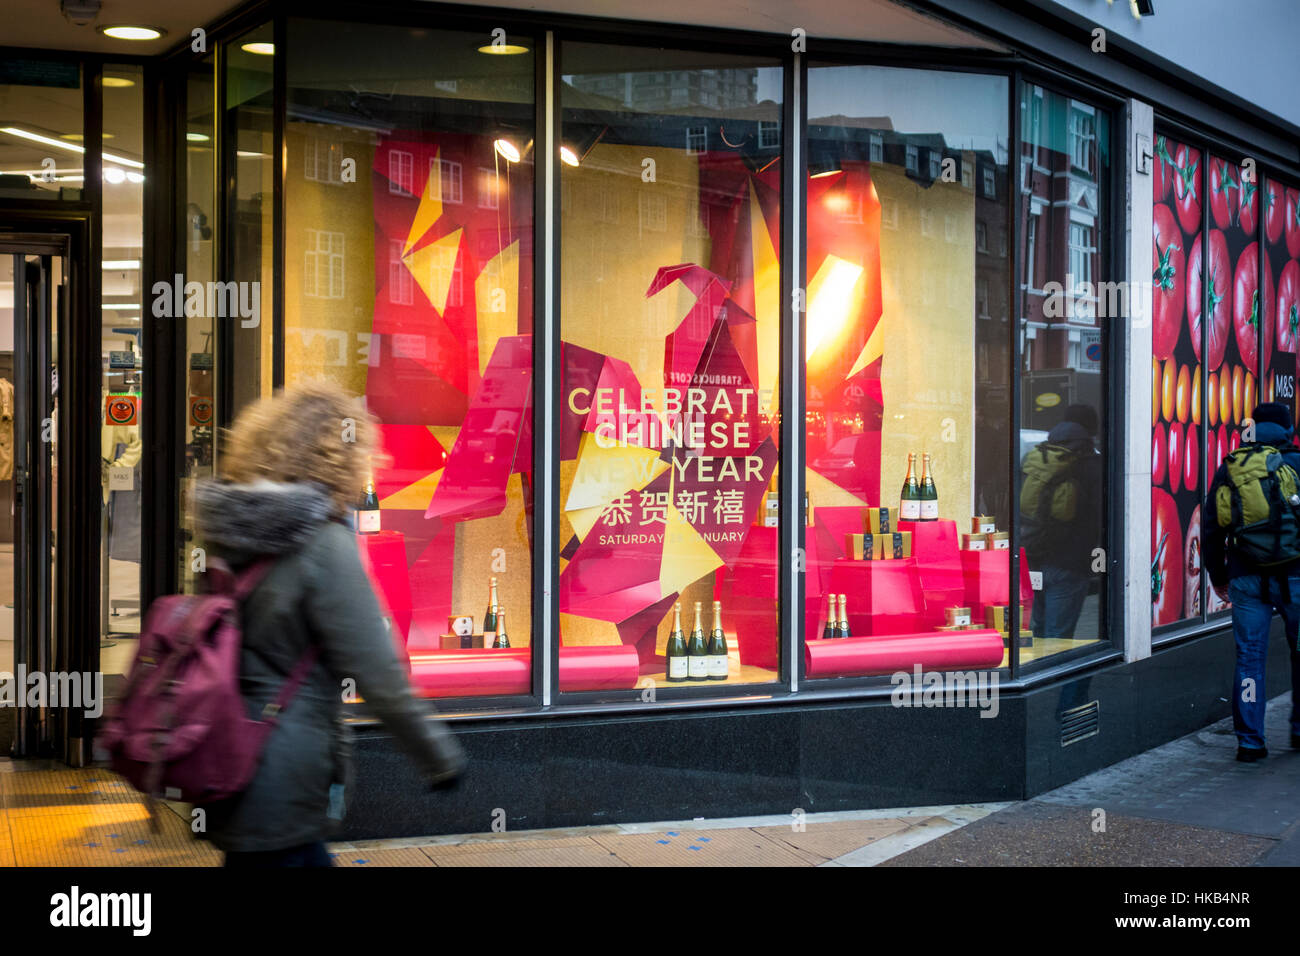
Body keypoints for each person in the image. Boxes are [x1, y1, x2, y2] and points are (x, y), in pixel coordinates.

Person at [194, 382, 465, 865]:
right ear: (343, 457)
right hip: (283, 771)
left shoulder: (230, 531)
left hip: (225, 753)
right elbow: (377, 669)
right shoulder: (322, 544)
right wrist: (439, 757)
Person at [1203, 402, 1300, 763]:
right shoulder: (1296, 464)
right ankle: (1299, 730)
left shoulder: (1233, 467)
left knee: (1249, 660)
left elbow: (1212, 527)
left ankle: (1250, 741)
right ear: (1288, 429)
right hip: (1295, 578)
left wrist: (1218, 576)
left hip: (1245, 579)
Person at [1020, 406, 1103, 640]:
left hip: (1034, 556)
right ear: (1090, 432)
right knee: (1059, 636)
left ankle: (1037, 673)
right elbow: (1099, 518)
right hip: (1070, 564)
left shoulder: (1036, 457)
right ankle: (1059, 676)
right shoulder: (1093, 466)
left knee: (1038, 628)